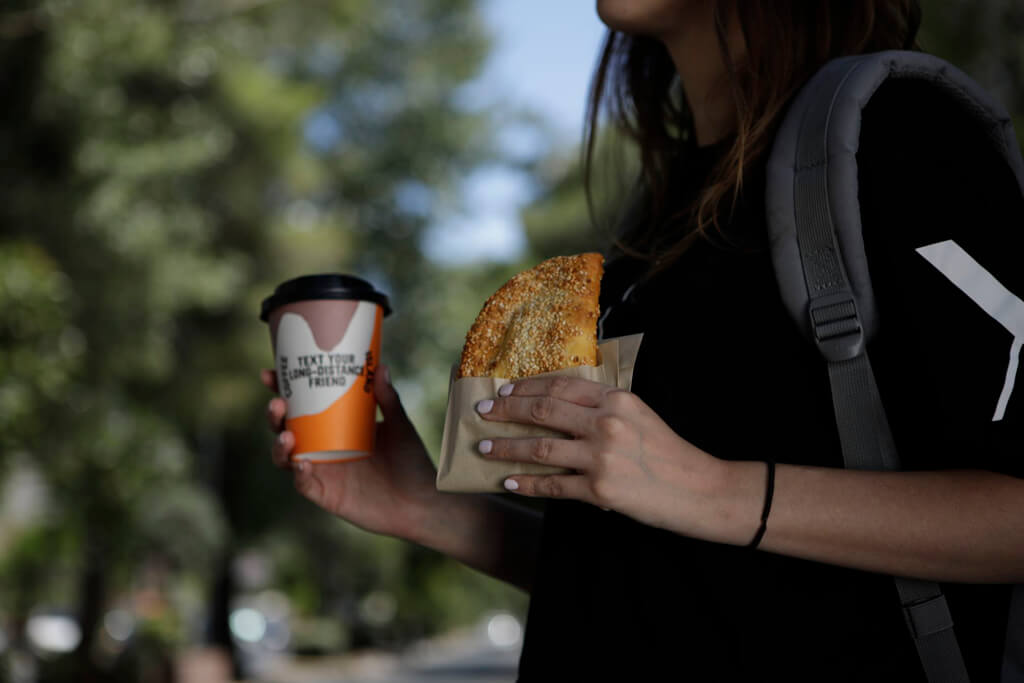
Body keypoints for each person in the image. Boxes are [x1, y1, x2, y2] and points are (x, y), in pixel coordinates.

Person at [261, 1, 1024, 679]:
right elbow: (657, 576)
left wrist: (712, 488)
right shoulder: (659, 220)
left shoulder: (902, 132)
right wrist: (429, 509)